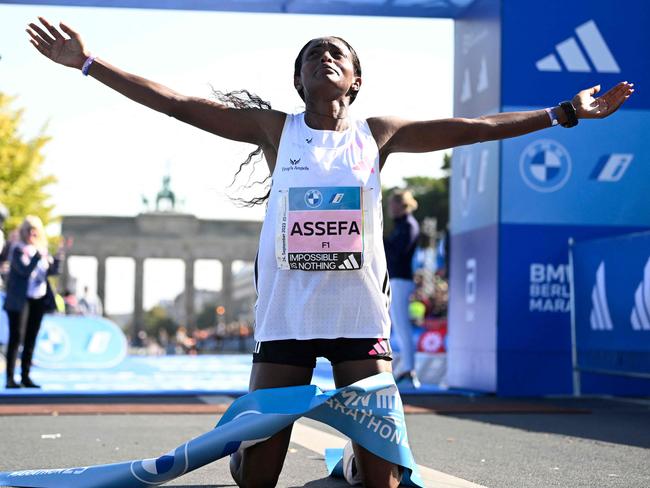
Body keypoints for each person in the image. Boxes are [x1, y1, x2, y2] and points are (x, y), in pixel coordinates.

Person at [26, 16, 633, 487]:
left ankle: (348, 466)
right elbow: (179, 105)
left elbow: (473, 128)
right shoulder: (274, 129)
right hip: (287, 319)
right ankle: (250, 440)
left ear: (355, 80)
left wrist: (563, 114)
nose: (324, 56)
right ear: (298, 82)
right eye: (311, 55)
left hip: (359, 320)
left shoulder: (379, 134)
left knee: (381, 481)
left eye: (336, 53)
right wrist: (87, 64)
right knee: (256, 477)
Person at [3, 216, 64, 389]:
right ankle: (9, 378)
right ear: (23, 232)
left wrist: (58, 258)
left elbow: (51, 272)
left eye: (35, 229)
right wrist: (36, 258)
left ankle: (25, 376)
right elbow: (23, 271)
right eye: (29, 230)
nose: (32, 233)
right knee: (17, 338)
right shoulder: (17, 249)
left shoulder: (42, 250)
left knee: (31, 338)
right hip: (20, 300)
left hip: (38, 298)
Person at [384, 190, 421, 388]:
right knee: (397, 326)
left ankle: (409, 369)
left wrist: (380, 239)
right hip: (396, 278)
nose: (390, 208)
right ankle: (406, 368)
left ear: (401, 204)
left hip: (401, 279)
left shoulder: (408, 225)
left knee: (401, 325)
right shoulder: (402, 226)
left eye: (392, 204)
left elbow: (398, 253)